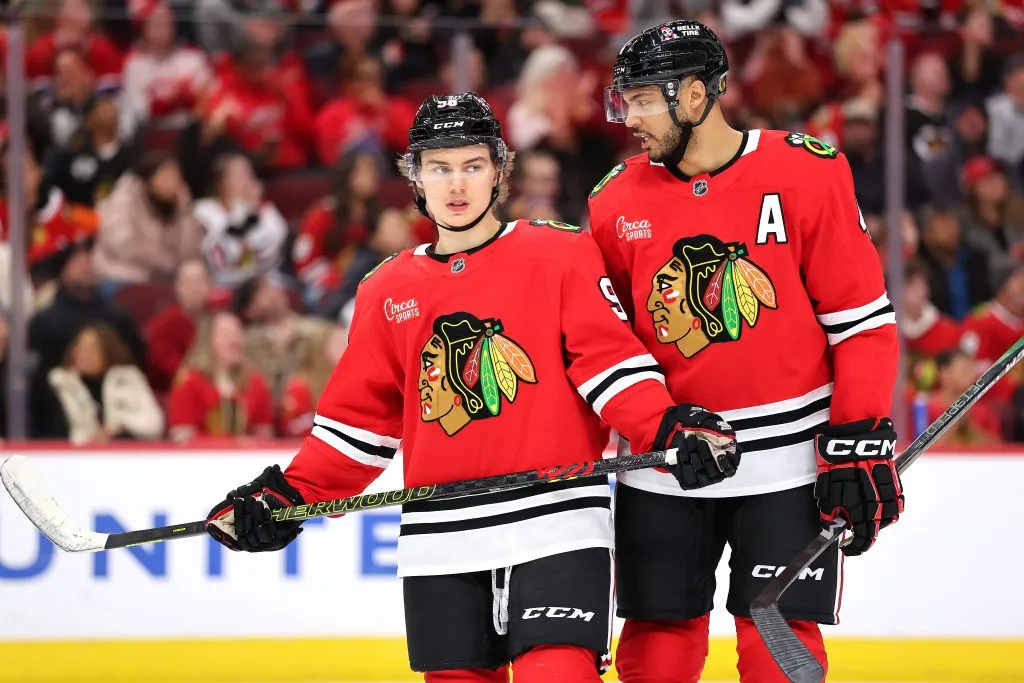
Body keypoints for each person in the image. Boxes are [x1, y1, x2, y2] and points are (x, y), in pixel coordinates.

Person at [204, 92, 740, 681]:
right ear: (415, 176)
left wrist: (668, 427)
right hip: (441, 541)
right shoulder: (385, 290)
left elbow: (610, 368)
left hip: (555, 522)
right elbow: (354, 432)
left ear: (498, 172)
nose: (456, 185)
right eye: (439, 167)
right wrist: (283, 496)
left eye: (472, 165)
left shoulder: (558, 254)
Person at [588, 20, 903, 682]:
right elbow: (604, 345)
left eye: (644, 99)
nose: (631, 118)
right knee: (657, 642)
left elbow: (861, 322)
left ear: (696, 96)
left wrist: (858, 435)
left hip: (788, 462)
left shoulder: (807, 172)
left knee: (778, 635)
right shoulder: (613, 202)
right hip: (668, 460)